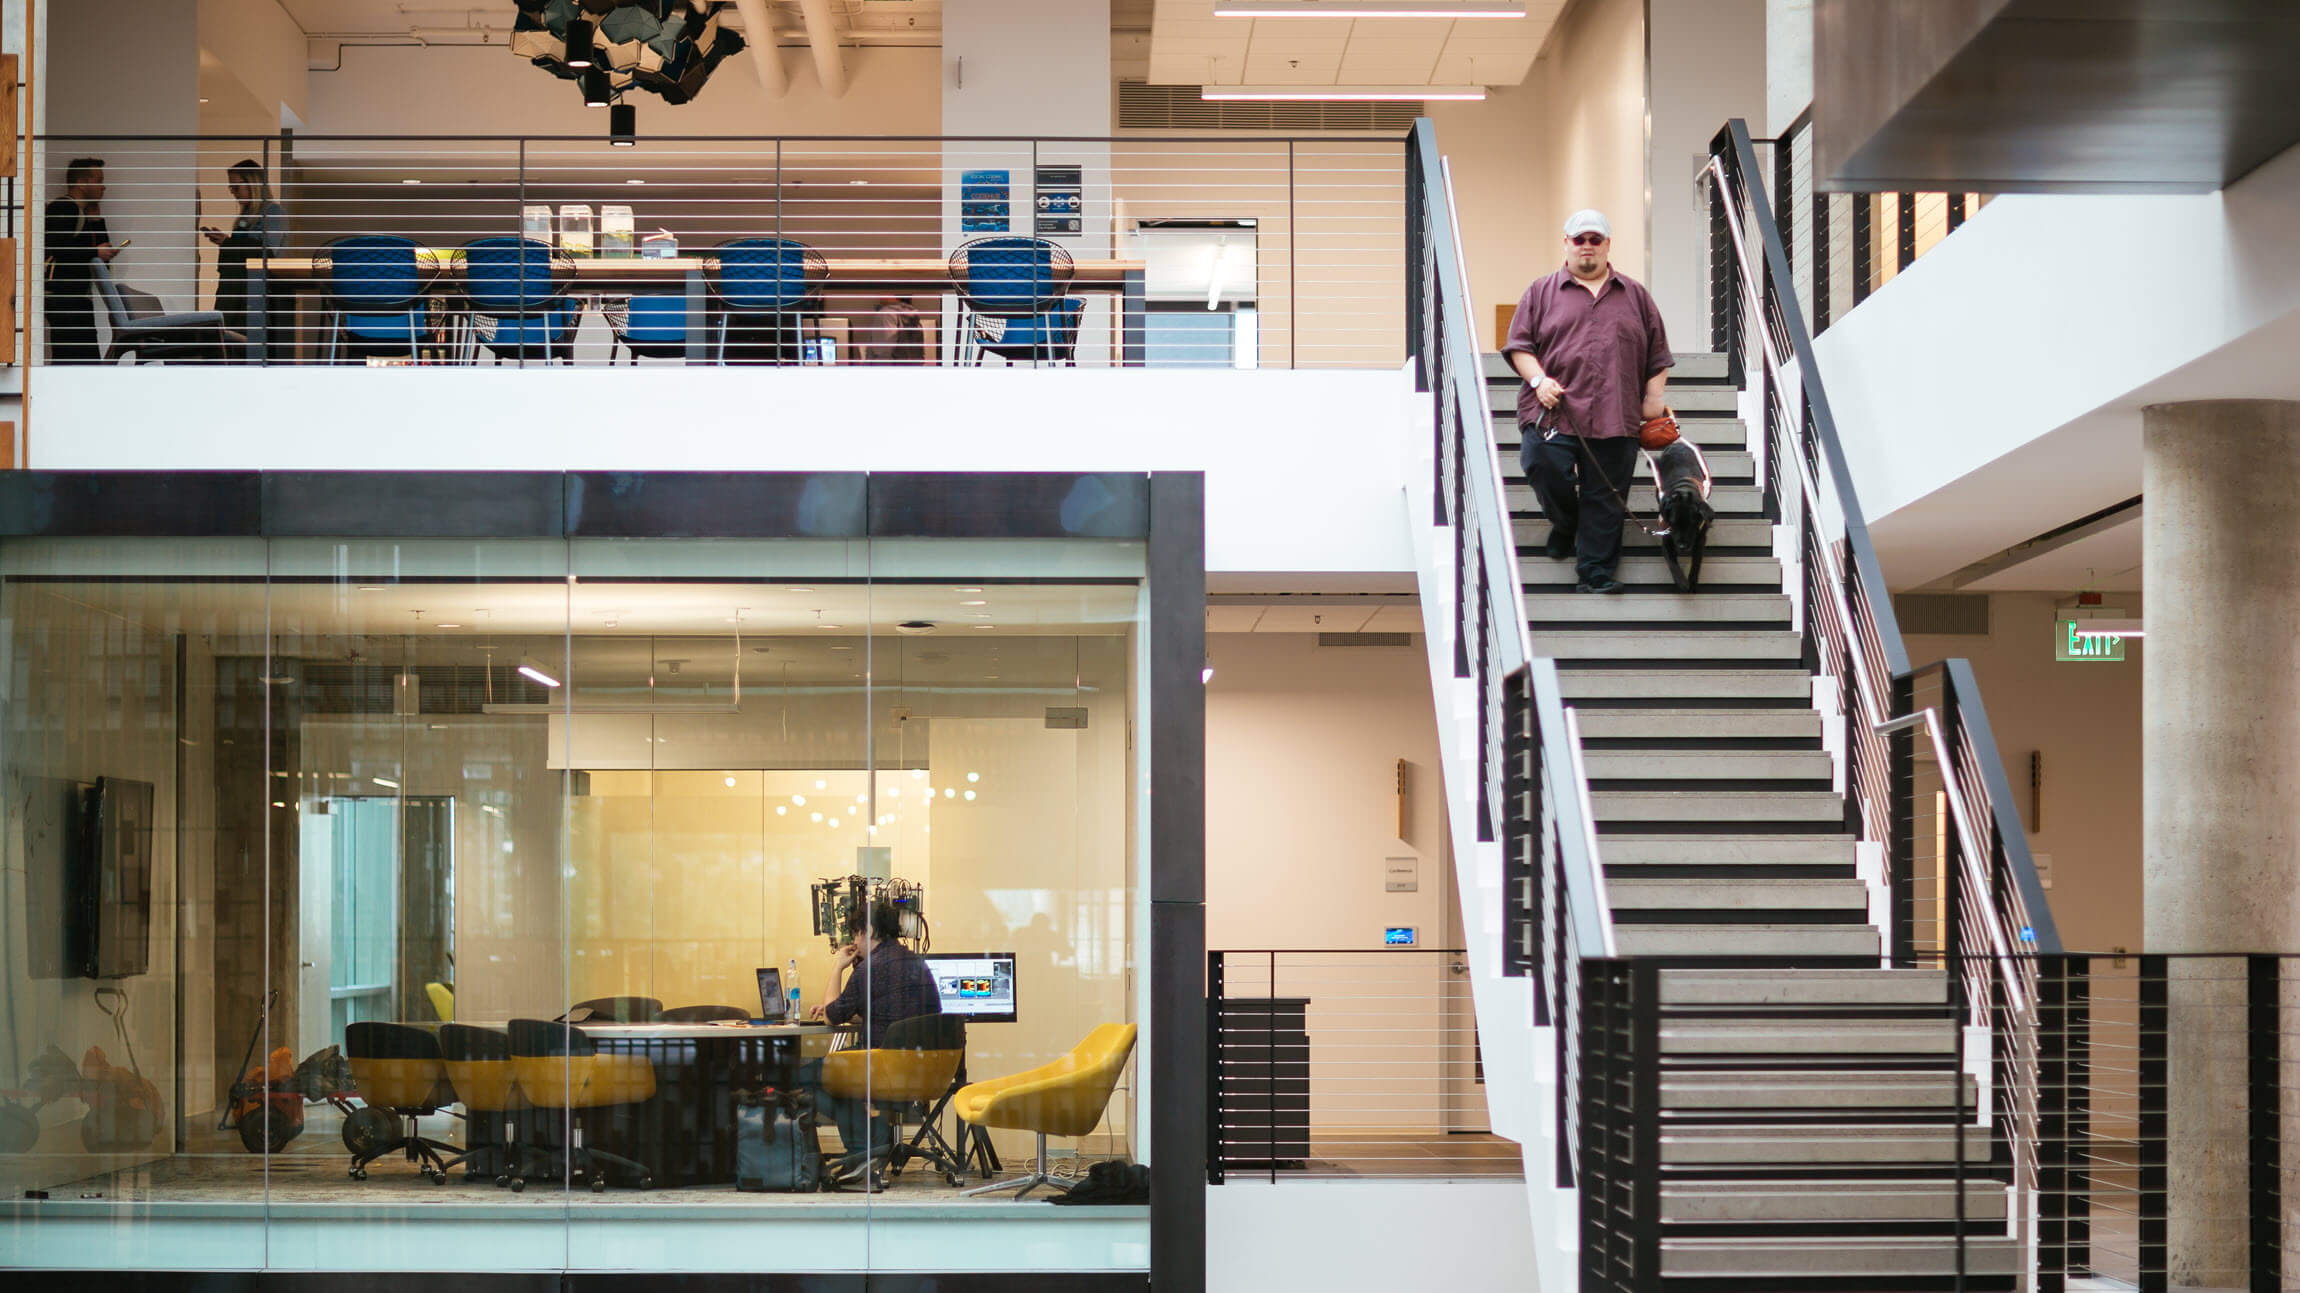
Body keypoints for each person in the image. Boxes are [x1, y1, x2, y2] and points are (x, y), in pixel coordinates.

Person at [1502, 209, 1674, 594]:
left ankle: (1595, 573)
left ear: (1607, 246)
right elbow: (1520, 346)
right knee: (1542, 466)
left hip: (1618, 412)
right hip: (1552, 411)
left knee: (1608, 494)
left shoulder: (1636, 296)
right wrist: (1538, 379)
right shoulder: (1540, 291)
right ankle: (1566, 523)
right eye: (1579, 240)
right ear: (1566, 244)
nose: (1587, 247)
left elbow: (1658, 355)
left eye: (1595, 240)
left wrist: (1653, 397)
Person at [803, 899, 941, 1174]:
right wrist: (856, 1011)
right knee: (847, 1080)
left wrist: (839, 966)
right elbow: (891, 1012)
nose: (855, 940)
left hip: (883, 1069)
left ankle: (861, 1154)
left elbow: (831, 1015)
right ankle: (869, 1152)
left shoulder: (870, 968)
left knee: (808, 1077)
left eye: (856, 933)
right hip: (923, 1071)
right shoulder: (917, 963)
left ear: (868, 931)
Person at [202, 159, 285, 348]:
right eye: (231, 188)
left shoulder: (273, 213)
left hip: (253, 294)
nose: (233, 193)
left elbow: (266, 252)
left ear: (252, 184)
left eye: (236, 187)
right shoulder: (247, 216)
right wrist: (226, 242)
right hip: (239, 290)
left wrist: (228, 242)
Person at [43, 157, 116, 364]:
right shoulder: (64, 208)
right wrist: (94, 251)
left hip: (76, 297)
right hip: (64, 297)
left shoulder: (82, 212)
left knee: (84, 358)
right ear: (82, 183)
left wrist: (96, 219)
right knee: (75, 358)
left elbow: (101, 255)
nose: (103, 186)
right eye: (98, 180)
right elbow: (54, 246)